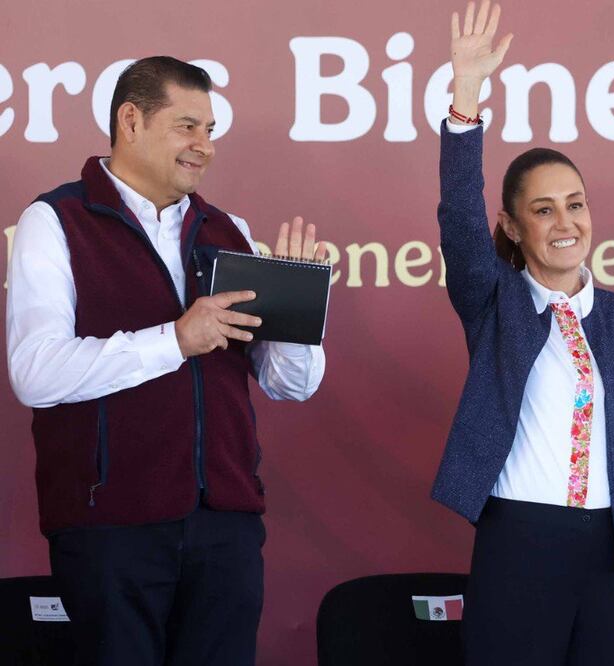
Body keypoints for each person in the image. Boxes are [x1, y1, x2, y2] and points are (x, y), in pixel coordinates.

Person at [6, 56, 327, 665]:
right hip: (110, 528)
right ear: (131, 120)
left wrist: (298, 310)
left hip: (226, 525)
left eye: (209, 131)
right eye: (188, 126)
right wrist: (173, 340)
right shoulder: (55, 221)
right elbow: (35, 372)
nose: (203, 147)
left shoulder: (230, 229)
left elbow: (292, 385)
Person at [431, 3, 614, 663]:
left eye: (575, 203)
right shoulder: (495, 301)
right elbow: (460, 214)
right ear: (514, 227)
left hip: (612, 558)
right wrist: (466, 96)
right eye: (542, 210)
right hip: (520, 544)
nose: (564, 221)